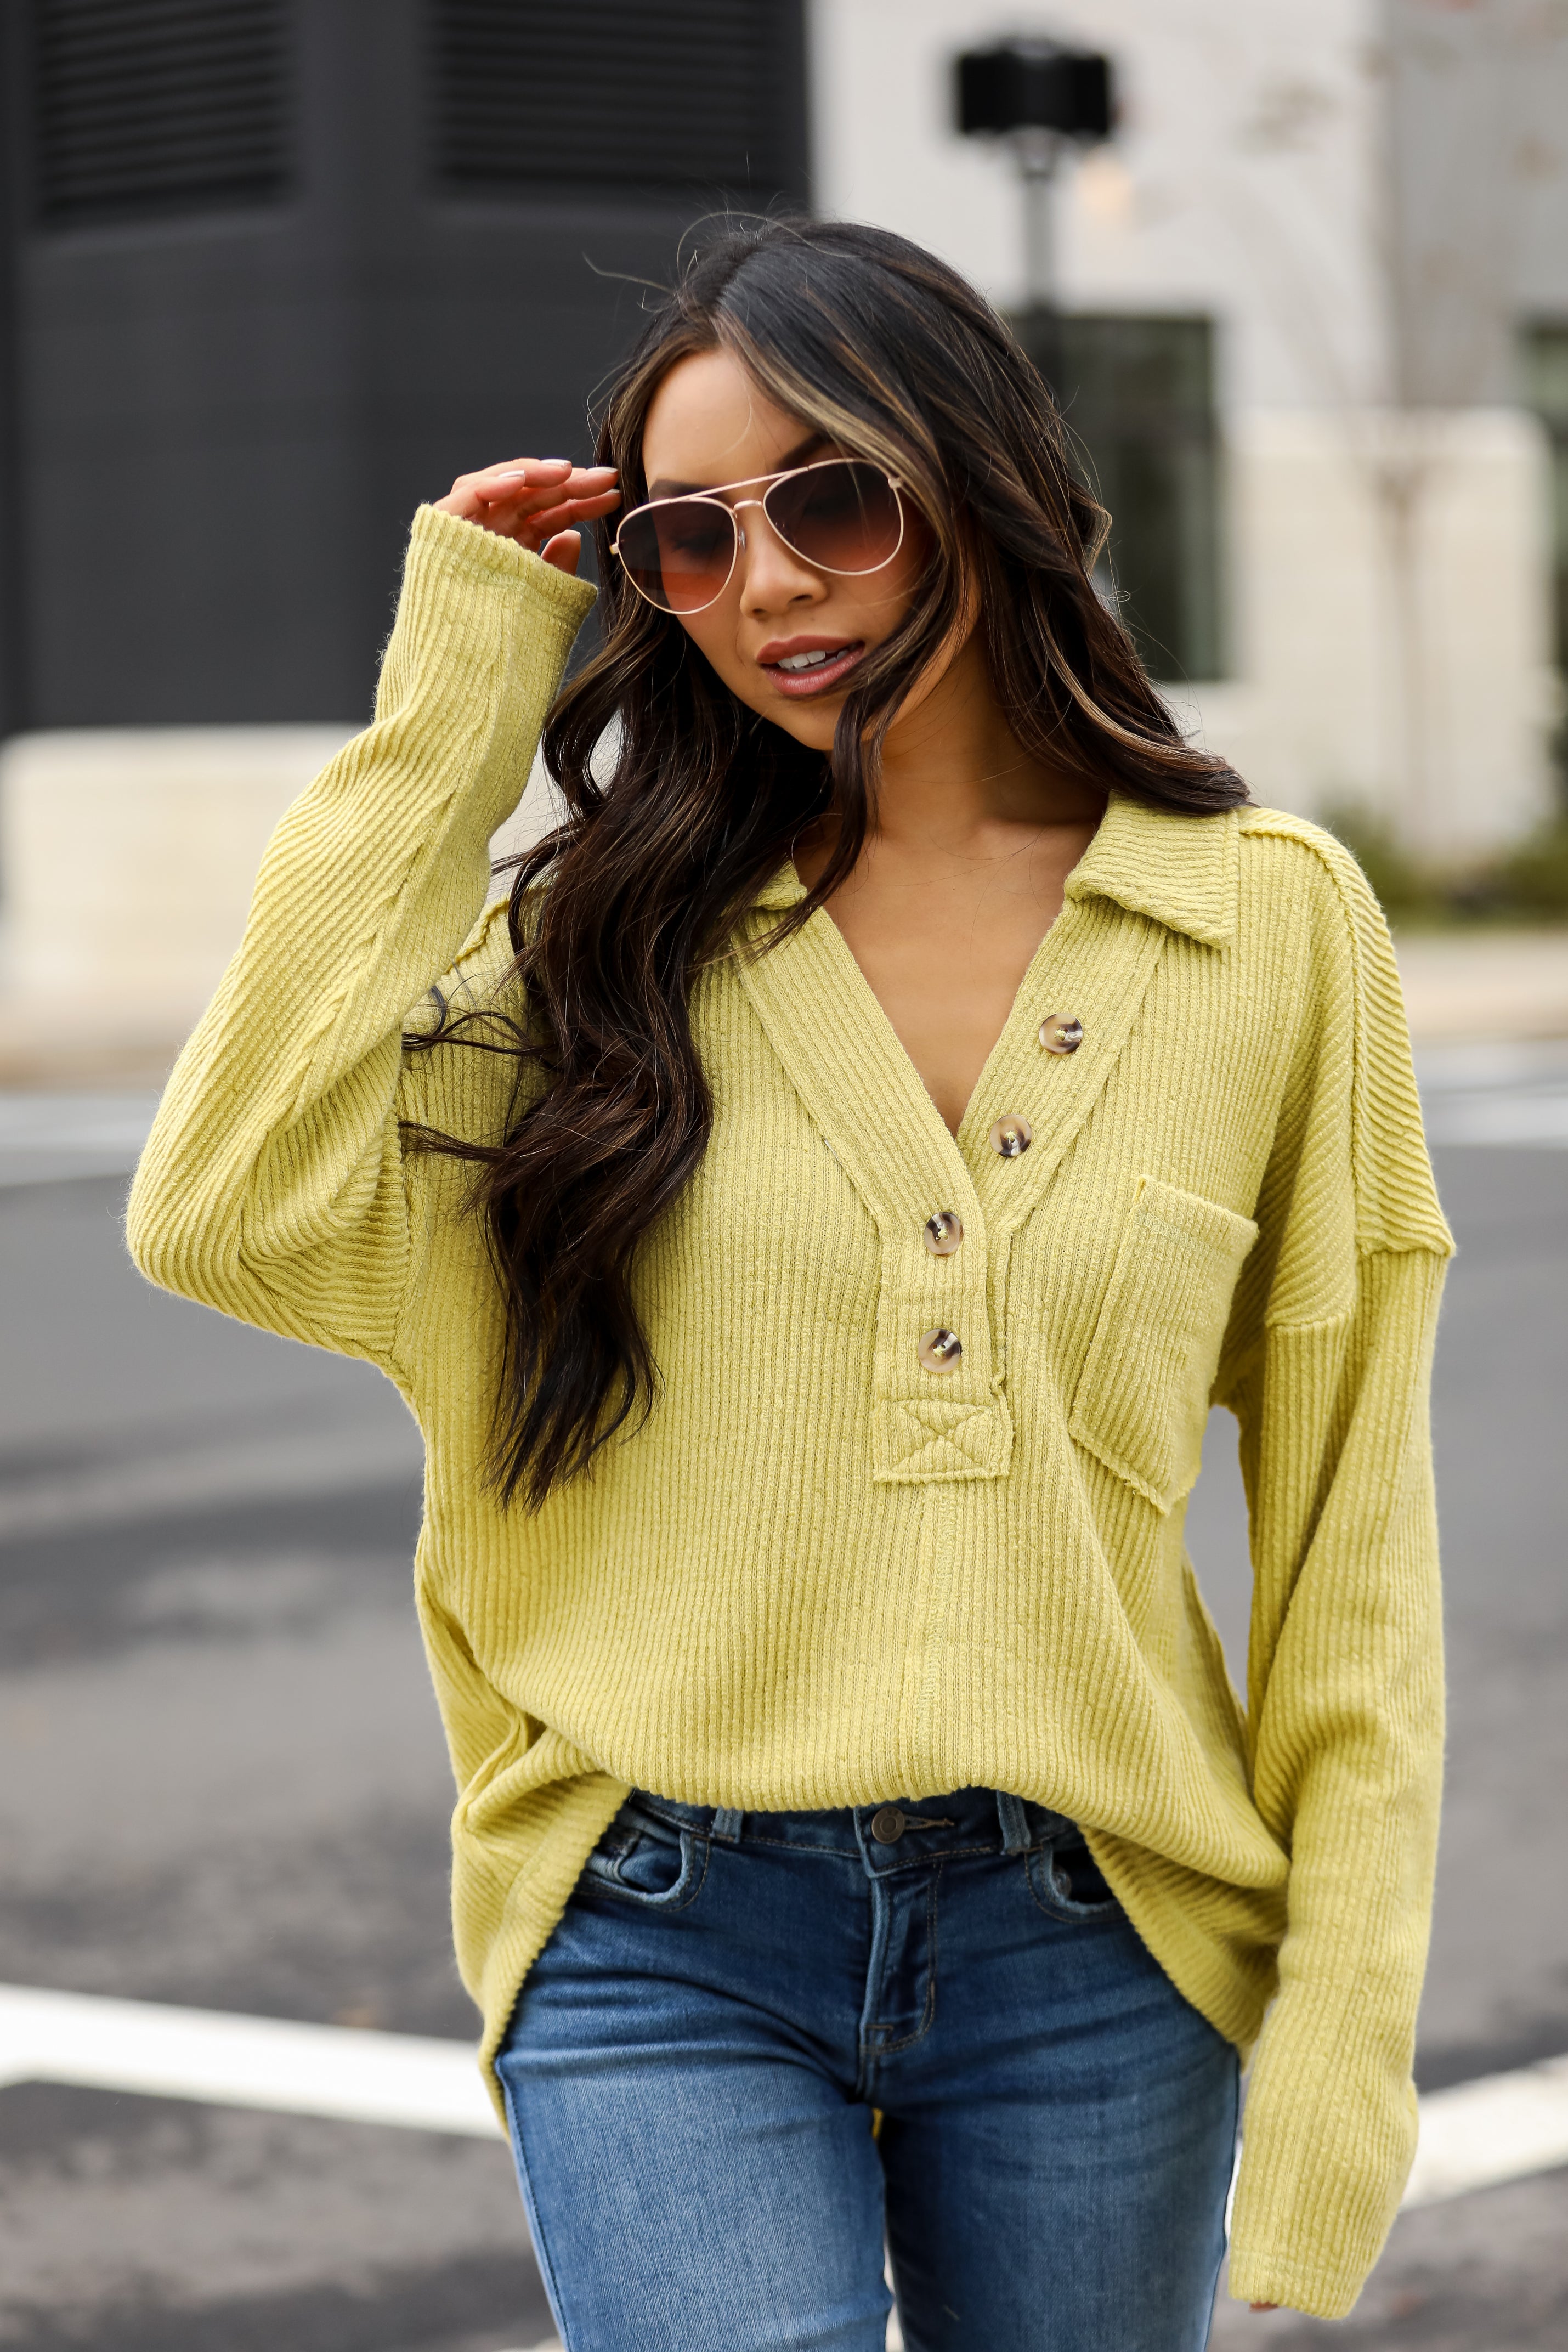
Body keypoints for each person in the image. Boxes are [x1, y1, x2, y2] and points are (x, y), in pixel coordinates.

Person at [128, 218, 1451, 2351]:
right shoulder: (597, 965)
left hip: (1095, 1936)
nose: (767, 588)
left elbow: (1348, 1573)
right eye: (683, 540)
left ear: (978, 479)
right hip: (659, 1930)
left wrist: (1331, 2095)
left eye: (827, 499)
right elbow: (221, 1198)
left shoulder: (1267, 937)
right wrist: (465, 676)